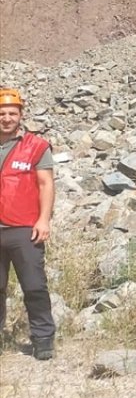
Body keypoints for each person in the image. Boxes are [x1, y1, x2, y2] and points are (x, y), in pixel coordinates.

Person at [0, 88, 56, 360]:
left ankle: (43, 338)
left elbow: (46, 184)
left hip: (24, 228)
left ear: (21, 115)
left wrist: (43, 219)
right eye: (2, 113)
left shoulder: (36, 146)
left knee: (34, 285)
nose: (6, 118)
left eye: (12, 113)